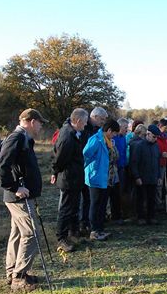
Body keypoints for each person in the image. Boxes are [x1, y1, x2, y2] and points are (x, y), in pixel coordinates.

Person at [0, 108, 48, 292]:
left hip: (21, 196)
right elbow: (1, 165)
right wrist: (15, 188)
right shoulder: (16, 138)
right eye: (40, 123)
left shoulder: (24, 139)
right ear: (32, 121)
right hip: (18, 198)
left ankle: (15, 273)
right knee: (31, 233)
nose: (41, 126)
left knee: (18, 234)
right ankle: (18, 277)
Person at [51, 108, 89, 253]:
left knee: (74, 207)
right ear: (78, 121)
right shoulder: (67, 136)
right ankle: (61, 238)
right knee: (66, 209)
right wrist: (54, 171)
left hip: (76, 177)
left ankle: (73, 232)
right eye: (84, 123)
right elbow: (60, 158)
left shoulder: (74, 134)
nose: (85, 125)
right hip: (68, 178)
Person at [83, 119, 120, 241]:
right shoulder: (96, 139)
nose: (114, 135)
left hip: (105, 178)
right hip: (95, 177)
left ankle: (100, 229)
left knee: (102, 204)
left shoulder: (108, 141)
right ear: (109, 130)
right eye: (114, 133)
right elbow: (85, 154)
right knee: (95, 204)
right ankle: (94, 231)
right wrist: (91, 169)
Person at [78, 107, 108, 236]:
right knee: (87, 200)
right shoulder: (86, 130)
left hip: (93, 171)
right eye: (102, 119)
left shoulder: (96, 131)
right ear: (94, 117)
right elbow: (85, 153)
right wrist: (85, 167)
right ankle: (83, 224)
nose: (103, 122)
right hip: (88, 171)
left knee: (90, 200)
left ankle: (89, 224)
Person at [130, 124, 162, 224]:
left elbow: (158, 162)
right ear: (148, 134)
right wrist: (137, 176)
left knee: (151, 198)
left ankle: (151, 216)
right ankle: (140, 217)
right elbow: (134, 162)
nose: (155, 139)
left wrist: (159, 176)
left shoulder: (156, 146)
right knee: (140, 198)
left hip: (153, 177)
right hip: (142, 177)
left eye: (157, 137)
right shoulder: (139, 146)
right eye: (154, 137)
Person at [109, 118, 129, 224]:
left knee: (120, 191)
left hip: (122, 168)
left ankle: (118, 213)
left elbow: (124, 151)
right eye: (125, 128)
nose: (127, 130)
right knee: (114, 192)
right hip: (114, 169)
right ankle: (114, 214)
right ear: (119, 127)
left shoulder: (123, 138)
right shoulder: (114, 138)